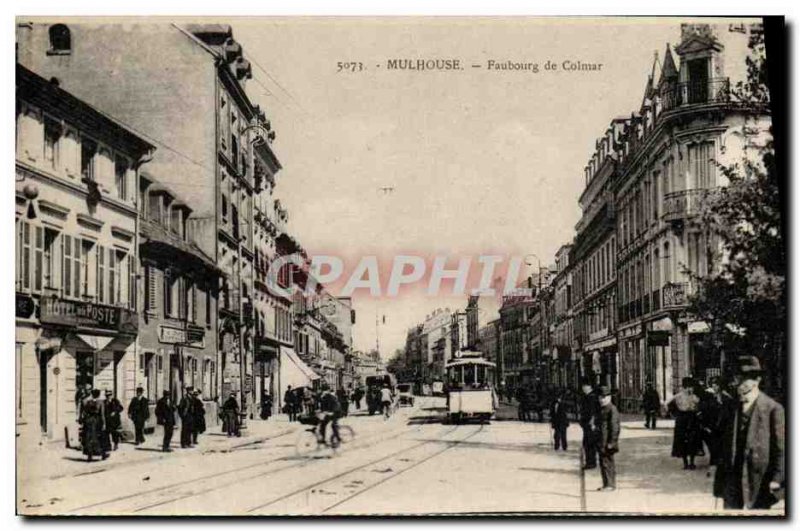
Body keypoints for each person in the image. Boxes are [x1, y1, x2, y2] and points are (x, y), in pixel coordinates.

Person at [714, 356, 784, 510]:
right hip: (732, 480)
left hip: (760, 480)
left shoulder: (773, 409)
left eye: (743, 378)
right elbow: (721, 441)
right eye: (736, 377)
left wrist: (777, 479)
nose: (737, 382)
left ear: (756, 380)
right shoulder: (730, 407)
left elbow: (781, 449)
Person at [698, 376, 734, 467]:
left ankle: (719, 463)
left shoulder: (726, 398)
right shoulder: (710, 397)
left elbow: (729, 413)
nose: (715, 387)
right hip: (711, 425)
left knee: (721, 446)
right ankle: (714, 462)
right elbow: (706, 411)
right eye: (713, 385)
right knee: (712, 446)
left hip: (722, 426)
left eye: (717, 385)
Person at [668, 377, 702, 469]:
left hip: (691, 418)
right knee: (682, 440)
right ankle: (685, 462)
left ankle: (691, 462)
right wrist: (674, 414)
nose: (691, 389)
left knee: (692, 440)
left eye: (691, 387)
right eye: (689, 387)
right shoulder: (678, 396)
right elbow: (668, 404)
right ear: (685, 387)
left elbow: (699, 407)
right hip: (682, 419)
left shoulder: (694, 396)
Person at [597, 386, 620, 492]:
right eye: (600, 397)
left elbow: (615, 427)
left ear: (609, 397)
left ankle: (610, 484)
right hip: (602, 440)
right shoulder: (602, 408)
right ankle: (606, 484)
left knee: (608, 462)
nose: (602, 400)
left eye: (604, 397)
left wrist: (612, 442)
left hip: (608, 441)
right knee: (603, 462)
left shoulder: (612, 409)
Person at [578, 381, 601, 470]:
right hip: (586, 424)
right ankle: (590, 461)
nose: (583, 388)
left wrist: (592, 423)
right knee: (587, 443)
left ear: (589, 387)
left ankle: (591, 462)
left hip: (590, 424)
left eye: (585, 386)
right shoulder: (587, 397)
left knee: (589, 443)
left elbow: (592, 412)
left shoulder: (591, 397)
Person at [80, 389, 107, 461]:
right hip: (97, 421)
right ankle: (102, 454)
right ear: (98, 395)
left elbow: (85, 412)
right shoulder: (101, 402)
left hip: (89, 421)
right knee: (100, 438)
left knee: (89, 438)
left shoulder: (88, 402)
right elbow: (102, 414)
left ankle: (90, 455)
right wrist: (104, 423)